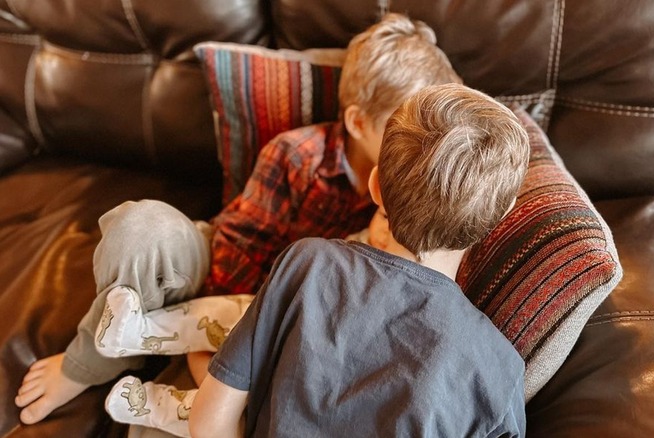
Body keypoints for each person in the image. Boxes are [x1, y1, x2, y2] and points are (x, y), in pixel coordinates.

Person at [14, 12, 461, 426]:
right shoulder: (297, 156)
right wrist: (210, 343)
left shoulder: (418, 188)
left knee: (178, 423)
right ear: (358, 122)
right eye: (401, 129)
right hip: (220, 278)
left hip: (281, 333)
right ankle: (91, 362)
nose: (418, 145)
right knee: (142, 229)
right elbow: (235, 253)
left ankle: (162, 347)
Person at [188, 83, 531, 437]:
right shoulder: (498, 370)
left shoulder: (307, 265)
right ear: (500, 217)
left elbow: (208, 421)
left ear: (375, 185)